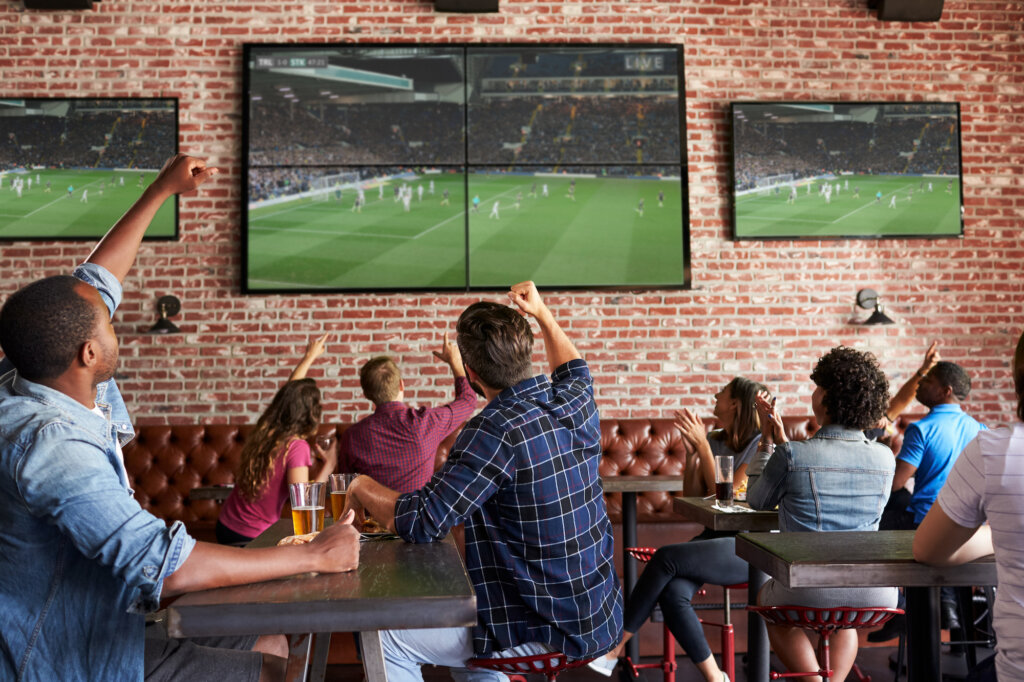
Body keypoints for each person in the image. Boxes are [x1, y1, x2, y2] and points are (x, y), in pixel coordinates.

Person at [0, 154, 360, 682]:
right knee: (273, 670)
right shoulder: (52, 447)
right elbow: (164, 567)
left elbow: (97, 280)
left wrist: (160, 190)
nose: (112, 318)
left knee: (273, 637)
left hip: (115, 619)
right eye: (108, 324)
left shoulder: (32, 367)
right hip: (73, 654)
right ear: (88, 355)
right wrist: (318, 556)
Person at [345, 281, 623, 681]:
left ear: (471, 376)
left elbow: (422, 520)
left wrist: (360, 486)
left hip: (549, 631)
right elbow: (574, 366)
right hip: (598, 617)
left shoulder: (493, 430)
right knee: (473, 637)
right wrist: (543, 314)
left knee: (384, 636)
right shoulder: (574, 399)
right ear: (527, 351)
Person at [590, 378, 770, 682]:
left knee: (666, 557)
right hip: (713, 540)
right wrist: (693, 454)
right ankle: (716, 678)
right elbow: (696, 498)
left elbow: (725, 499)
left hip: (748, 546)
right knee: (673, 593)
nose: (715, 395)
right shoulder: (716, 437)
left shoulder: (760, 446)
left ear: (736, 403)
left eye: (722, 393)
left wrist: (702, 444)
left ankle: (615, 646)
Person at [747, 346, 897, 682]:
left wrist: (767, 442)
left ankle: (814, 680)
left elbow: (756, 501)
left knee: (771, 607)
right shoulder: (886, 457)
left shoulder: (791, 454)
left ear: (826, 397)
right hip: (876, 591)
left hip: (806, 587)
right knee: (846, 618)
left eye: (817, 387)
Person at [913, 328, 1023, 682]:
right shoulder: (976, 428)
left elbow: (927, 549)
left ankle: (914, 614)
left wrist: (999, 533)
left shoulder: (994, 450)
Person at [869, 355, 986, 641]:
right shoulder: (979, 430)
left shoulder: (923, 428)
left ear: (945, 390)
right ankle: (952, 616)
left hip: (926, 523)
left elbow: (896, 483)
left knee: (873, 524)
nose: (920, 386)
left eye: (928, 382)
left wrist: (886, 452)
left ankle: (904, 606)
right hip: (971, 526)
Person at [216, 334, 339, 545]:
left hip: (226, 525)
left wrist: (309, 357)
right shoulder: (296, 447)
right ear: (311, 414)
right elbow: (303, 501)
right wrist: (329, 464)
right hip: (252, 537)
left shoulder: (268, 431)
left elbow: (290, 394)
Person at [339, 334, 477, 494]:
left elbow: (345, 489)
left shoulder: (352, 437)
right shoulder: (428, 421)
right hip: (415, 517)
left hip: (373, 518)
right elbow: (468, 400)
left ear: (366, 394)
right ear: (401, 385)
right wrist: (455, 362)